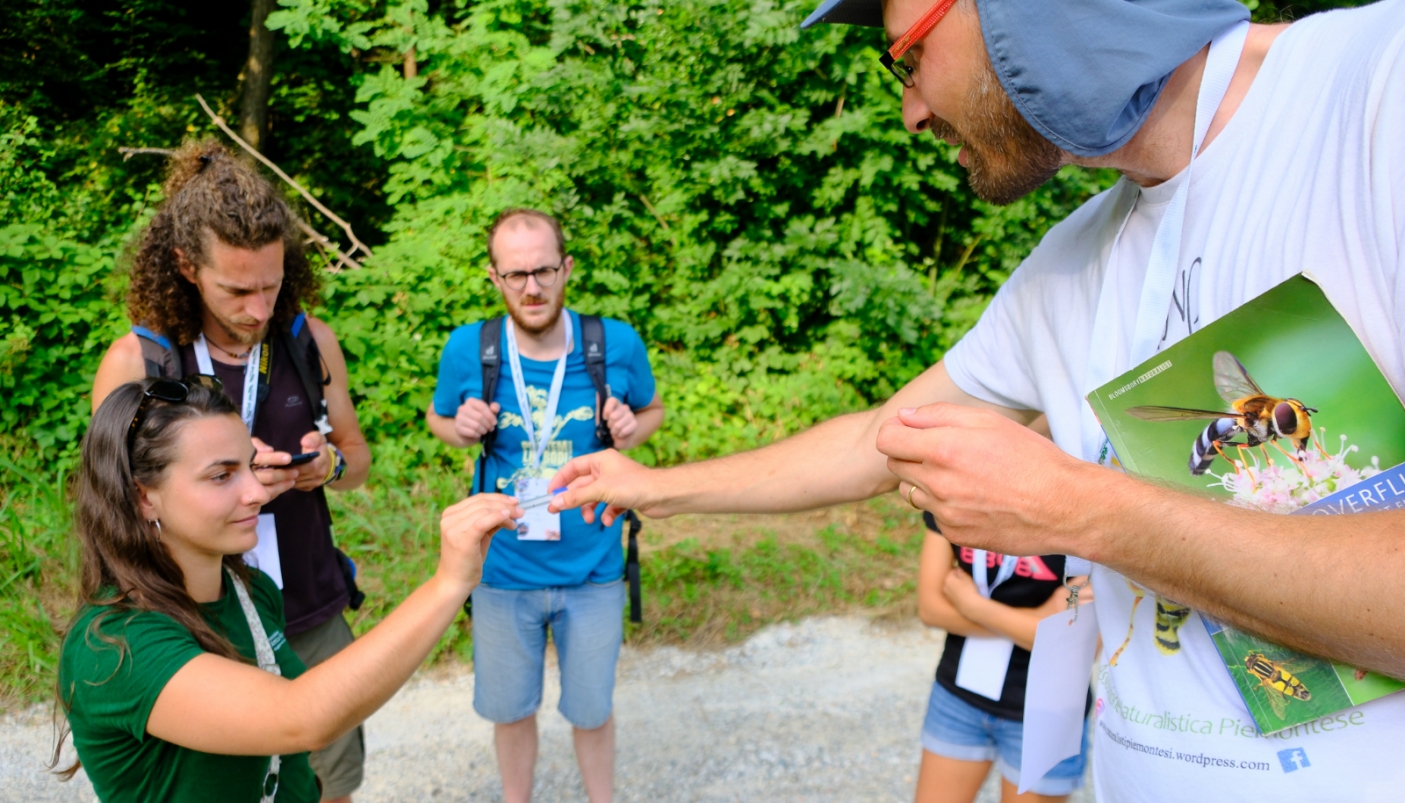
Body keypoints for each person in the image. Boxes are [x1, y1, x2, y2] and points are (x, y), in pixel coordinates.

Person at [547, 0, 1405, 799]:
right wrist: (653, 487)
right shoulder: (1071, 260)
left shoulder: (1377, 88)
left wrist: (1084, 510)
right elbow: (878, 440)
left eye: (907, 59)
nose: (910, 112)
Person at [54, 378, 516, 803]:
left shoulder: (250, 592)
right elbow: (302, 718)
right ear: (142, 497)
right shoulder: (116, 645)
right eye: (222, 476)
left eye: (250, 467)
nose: (256, 490)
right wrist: (449, 583)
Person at [91, 141, 372, 803]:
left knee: (329, 777)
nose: (257, 308)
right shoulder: (154, 369)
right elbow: (114, 493)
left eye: (271, 285)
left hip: (306, 600)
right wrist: (224, 473)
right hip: (196, 618)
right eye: (237, 289)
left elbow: (355, 459)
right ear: (186, 267)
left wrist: (324, 465)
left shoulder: (307, 344)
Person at [426, 208, 664, 803]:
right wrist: (460, 427)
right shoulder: (469, 348)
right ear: (494, 278)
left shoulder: (613, 343)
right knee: (510, 711)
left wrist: (631, 428)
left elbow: (652, 411)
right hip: (502, 570)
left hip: (595, 568)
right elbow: (438, 419)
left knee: (591, 711)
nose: (531, 287)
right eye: (515, 275)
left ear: (567, 269)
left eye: (543, 270)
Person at [915, 512, 1090, 803]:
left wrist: (972, 605)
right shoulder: (955, 488)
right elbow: (931, 608)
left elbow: (1077, 644)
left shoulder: (1086, 504)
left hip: (1046, 714)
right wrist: (1038, 622)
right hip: (958, 698)